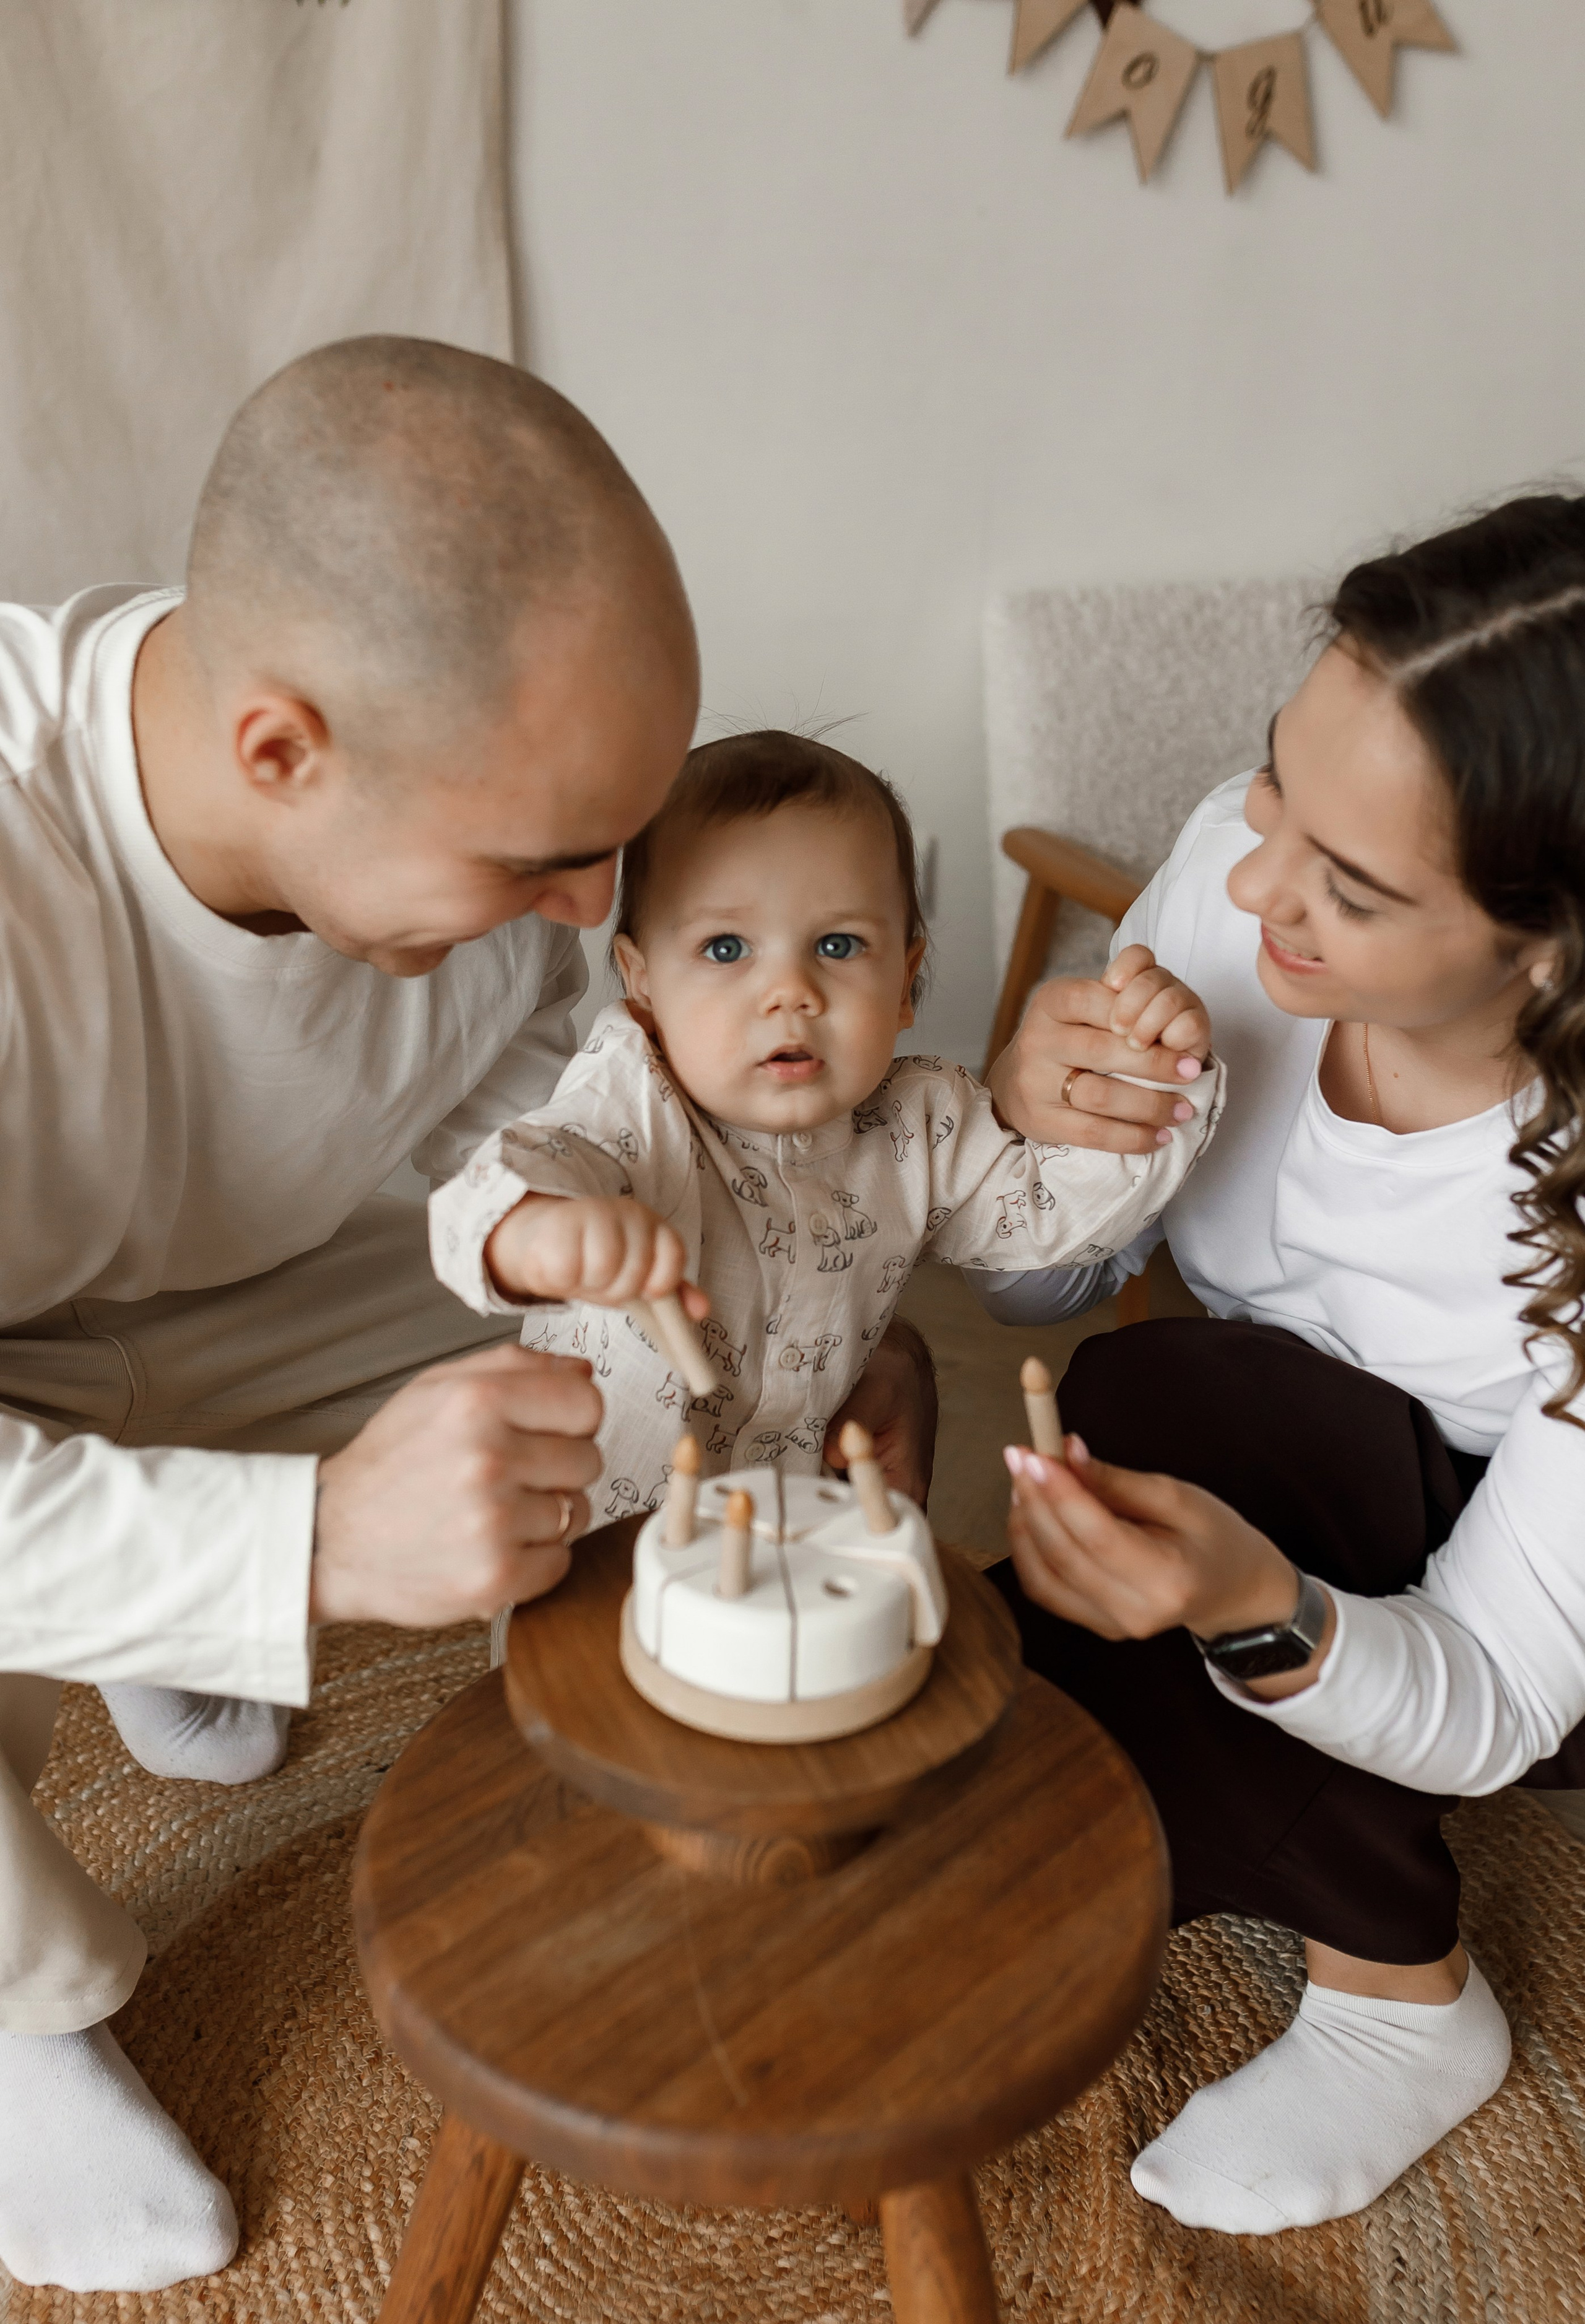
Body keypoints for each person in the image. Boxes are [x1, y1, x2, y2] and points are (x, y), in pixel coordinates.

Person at [0, 338, 937, 2296]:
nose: (595, 904)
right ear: (282, 751)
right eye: (540, 859)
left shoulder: (489, 842)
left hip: (237, 1279)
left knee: (674, 1333)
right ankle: (27, 2018)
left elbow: (536, 1122)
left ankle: (175, 1579)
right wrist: (317, 1538)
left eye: (616, 840)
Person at [978, 492, 1585, 2235]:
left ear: (1547, 951)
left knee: (1187, 1408)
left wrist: (1258, 1604)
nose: (1252, 892)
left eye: (1352, 884)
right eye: (1273, 795)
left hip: (1527, 1623)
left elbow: (1500, 1689)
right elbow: (1035, 1294)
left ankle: (1402, 1998)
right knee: (1067, 1543)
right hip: (1268, 1473)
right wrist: (1048, 1133)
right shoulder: (1239, 908)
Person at [428, 731, 1223, 1507]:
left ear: (906, 982)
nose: (790, 992)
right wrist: (535, 1232)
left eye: (838, 945)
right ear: (642, 982)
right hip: (594, 1516)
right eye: (726, 949)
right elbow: (517, 1170)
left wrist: (1149, 1082)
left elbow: (1053, 1221)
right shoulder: (632, 1095)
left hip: (786, 1507)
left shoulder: (921, 1122)